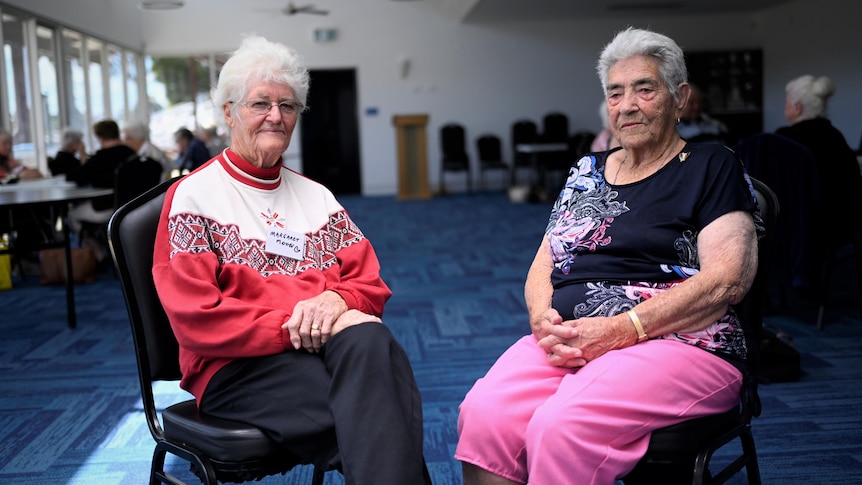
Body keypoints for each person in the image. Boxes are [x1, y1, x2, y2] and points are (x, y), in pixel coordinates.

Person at [456, 27, 761, 484]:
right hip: (573, 337)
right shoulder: (587, 170)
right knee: (484, 413)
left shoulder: (711, 164)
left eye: (645, 88)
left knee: (561, 427)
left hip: (680, 340)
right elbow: (545, 260)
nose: (628, 104)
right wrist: (543, 319)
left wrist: (623, 329)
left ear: (679, 97)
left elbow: (727, 280)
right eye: (615, 93)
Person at [152, 35, 432, 485]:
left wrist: (337, 303)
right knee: (380, 411)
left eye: (288, 106)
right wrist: (299, 329)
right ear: (229, 112)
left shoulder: (316, 195)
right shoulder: (193, 197)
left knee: (371, 343)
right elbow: (196, 319)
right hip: (236, 369)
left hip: (329, 354)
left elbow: (370, 284)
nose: (276, 117)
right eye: (260, 103)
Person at [776, 74, 862, 243]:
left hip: (796, 230)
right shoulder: (836, 137)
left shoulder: (784, 138)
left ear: (797, 108)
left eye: (786, 104)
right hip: (841, 228)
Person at [67, 119, 136, 261]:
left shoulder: (101, 158)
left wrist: (82, 155)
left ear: (100, 137)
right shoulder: (132, 153)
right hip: (133, 206)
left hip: (106, 207)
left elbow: (76, 176)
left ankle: (98, 253)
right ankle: (105, 245)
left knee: (72, 215)